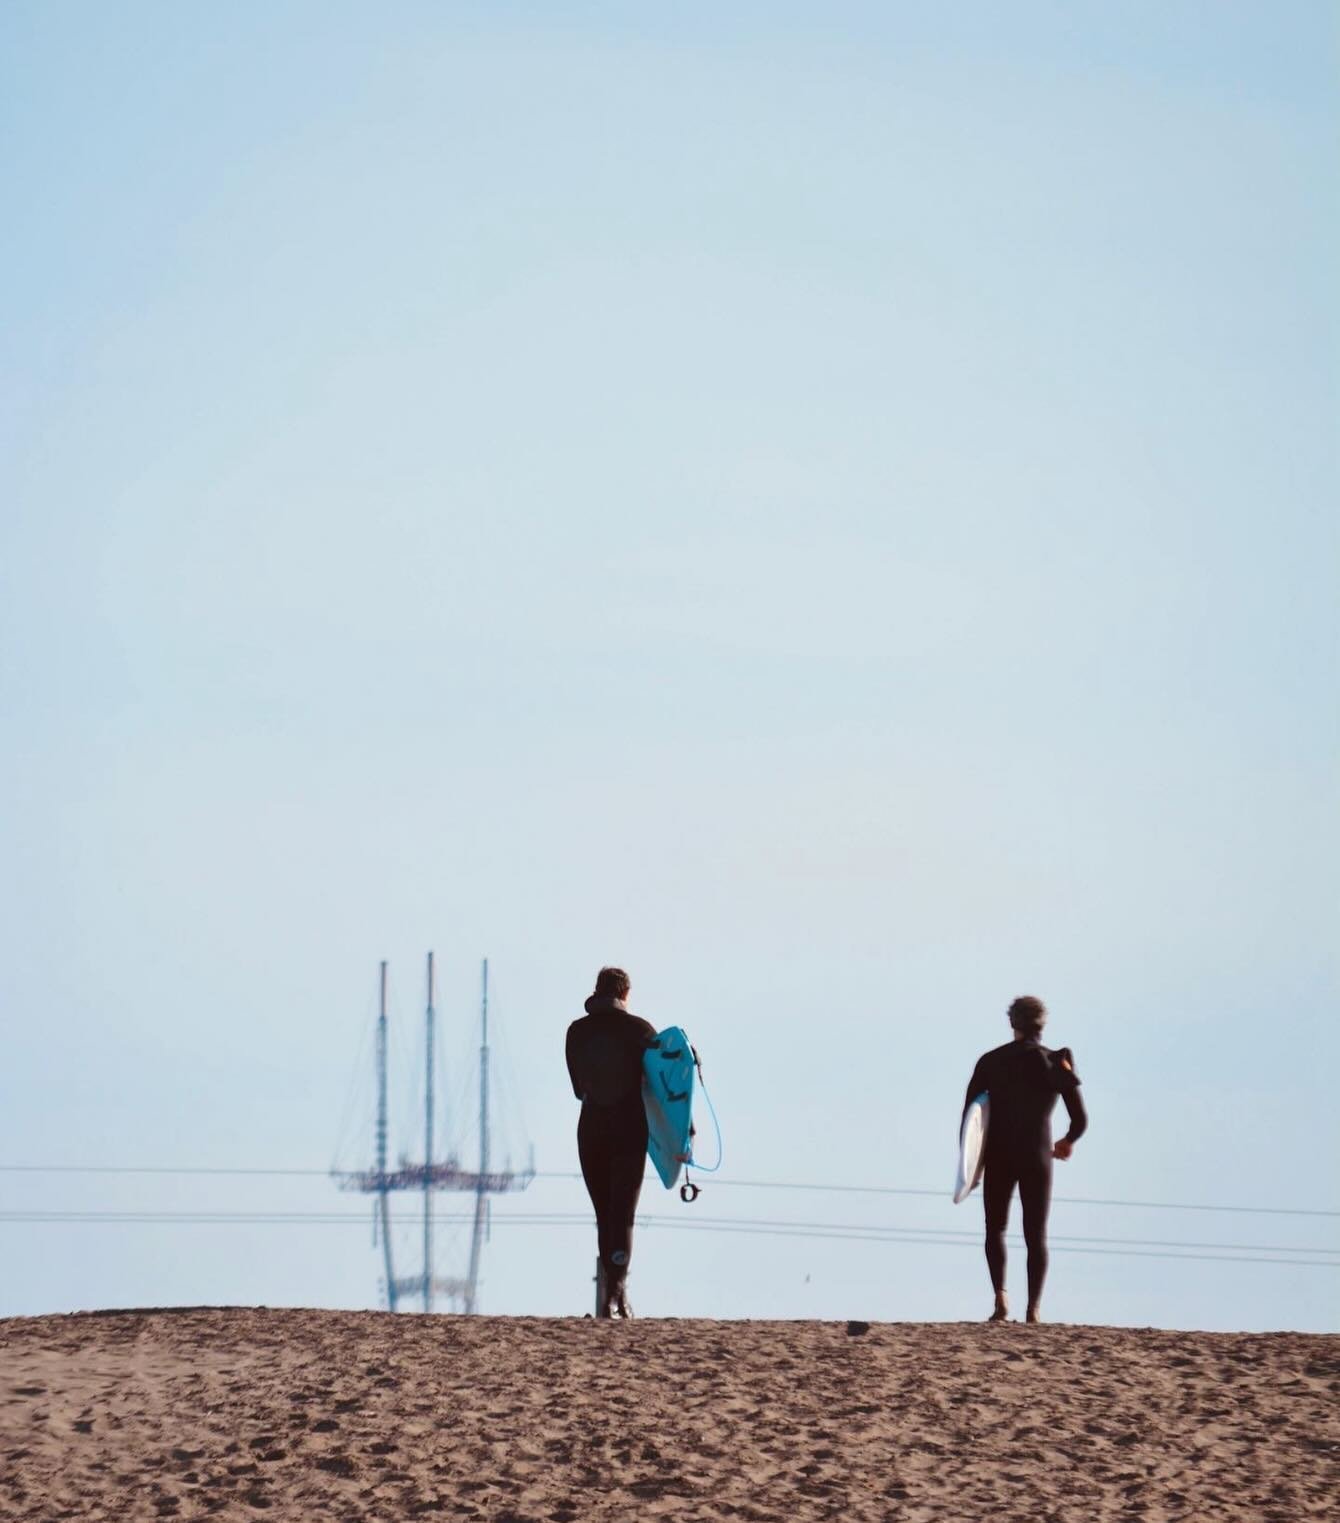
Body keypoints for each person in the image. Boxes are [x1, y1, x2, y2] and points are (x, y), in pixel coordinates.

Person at [963, 994, 1087, 1324]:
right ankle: (1033, 1309)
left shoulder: (990, 1062)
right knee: (1035, 1235)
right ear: (1042, 1024)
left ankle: (1000, 1297)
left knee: (995, 1229)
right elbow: (1080, 1120)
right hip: (1036, 1155)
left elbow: (970, 1120)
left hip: (1000, 1154)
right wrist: (1067, 1141)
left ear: (1012, 1023)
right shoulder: (1053, 1061)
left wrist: (971, 1167)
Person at [565, 966, 657, 1318]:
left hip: (591, 1129)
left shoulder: (576, 1032)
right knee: (624, 1215)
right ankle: (618, 1293)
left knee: (604, 1214)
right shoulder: (642, 1031)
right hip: (630, 1128)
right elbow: (666, 1088)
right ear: (625, 995)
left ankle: (607, 1297)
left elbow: (577, 1089)